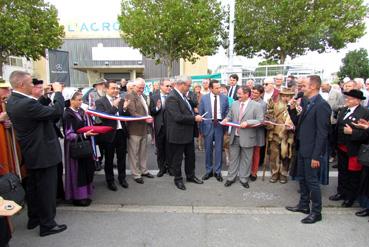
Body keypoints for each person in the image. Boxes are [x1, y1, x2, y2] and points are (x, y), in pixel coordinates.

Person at [6, 71, 67, 236]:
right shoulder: (26, 104)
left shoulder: (13, 100)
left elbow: (37, 109)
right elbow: (56, 112)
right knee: (46, 190)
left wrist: (46, 95)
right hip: (43, 153)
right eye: (30, 83)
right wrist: (59, 93)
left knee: (33, 188)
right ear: (20, 85)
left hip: (32, 152)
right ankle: (47, 225)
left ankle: (34, 218)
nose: (33, 86)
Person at [286, 75, 331, 224]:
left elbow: (322, 133)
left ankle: (316, 212)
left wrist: (316, 156)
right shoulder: (308, 103)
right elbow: (299, 123)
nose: (301, 88)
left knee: (312, 182)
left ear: (312, 87)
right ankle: (304, 205)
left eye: (303, 86)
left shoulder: (322, 105)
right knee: (303, 180)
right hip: (302, 147)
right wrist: (291, 110)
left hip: (312, 151)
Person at [329, 89, 369, 207]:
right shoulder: (344, 110)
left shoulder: (364, 112)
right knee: (342, 172)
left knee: (353, 174)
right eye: (347, 98)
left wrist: (352, 132)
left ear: (357, 101)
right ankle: (341, 192)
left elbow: (366, 134)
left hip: (354, 149)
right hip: (341, 147)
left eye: (349, 98)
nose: (347, 100)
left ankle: (351, 197)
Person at [165, 76, 204, 190]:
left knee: (190, 157)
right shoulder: (172, 97)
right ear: (181, 84)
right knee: (177, 159)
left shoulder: (183, 96)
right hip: (178, 134)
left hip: (188, 133)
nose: (189, 87)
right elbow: (177, 117)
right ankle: (178, 179)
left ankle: (190, 176)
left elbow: (189, 109)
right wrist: (194, 118)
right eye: (188, 85)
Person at [221, 86, 264, 189]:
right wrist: (226, 119)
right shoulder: (235, 104)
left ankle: (244, 179)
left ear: (246, 94)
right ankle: (231, 178)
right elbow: (230, 115)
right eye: (238, 93)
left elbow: (260, 120)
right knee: (233, 159)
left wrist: (248, 123)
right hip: (234, 136)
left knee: (246, 159)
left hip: (248, 137)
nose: (237, 95)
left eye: (240, 94)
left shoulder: (256, 105)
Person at [63, 91, 97, 206]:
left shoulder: (81, 111)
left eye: (81, 99)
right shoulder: (67, 114)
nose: (81, 102)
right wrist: (84, 135)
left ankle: (85, 194)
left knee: (86, 169)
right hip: (75, 147)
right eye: (78, 100)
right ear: (71, 100)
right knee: (77, 172)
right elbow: (68, 135)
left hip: (84, 144)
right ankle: (78, 197)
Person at [95, 81, 130, 191]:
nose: (116, 90)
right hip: (109, 134)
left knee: (122, 158)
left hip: (121, 132)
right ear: (106, 89)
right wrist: (114, 106)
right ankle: (110, 181)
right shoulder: (100, 102)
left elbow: (125, 116)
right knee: (109, 159)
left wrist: (124, 109)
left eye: (117, 88)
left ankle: (122, 178)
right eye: (113, 88)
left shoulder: (121, 100)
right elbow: (104, 117)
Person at [199, 80, 229, 182]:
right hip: (208, 124)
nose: (219, 89)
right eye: (216, 88)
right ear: (211, 88)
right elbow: (200, 113)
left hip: (220, 125)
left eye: (219, 87)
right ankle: (208, 171)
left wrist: (225, 127)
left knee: (219, 149)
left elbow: (226, 112)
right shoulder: (204, 98)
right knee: (208, 149)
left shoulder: (224, 98)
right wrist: (201, 130)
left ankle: (217, 171)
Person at [125, 78, 154, 184]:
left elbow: (147, 110)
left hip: (144, 129)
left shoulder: (143, 96)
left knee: (143, 152)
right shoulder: (129, 96)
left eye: (142, 87)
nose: (141, 89)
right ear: (134, 86)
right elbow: (132, 113)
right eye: (139, 87)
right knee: (134, 153)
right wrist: (145, 118)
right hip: (134, 129)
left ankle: (144, 170)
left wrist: (148, 116)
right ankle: (136, 174)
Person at [265, 88, 295, 184]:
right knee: (274, 155)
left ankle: (283, 173)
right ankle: (274, 172)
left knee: (285, 155)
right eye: (284, 95)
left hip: (287, 135)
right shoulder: (274, 103)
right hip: (275, 133)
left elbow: (298, 118)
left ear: (291, 96)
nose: (285, 97)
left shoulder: (295, 105)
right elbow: (269, 114)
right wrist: (269, 122)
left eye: (288, 96)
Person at [150, 79, 172, 177]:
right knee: (160, 149)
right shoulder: (154, 97)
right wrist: (158, 108)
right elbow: (152, 112)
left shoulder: (172, 97)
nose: (169, 88)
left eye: (170, 86)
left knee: (170, 149)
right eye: (167, 86)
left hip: (171, 128)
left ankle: (170, 168)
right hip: (160, 127)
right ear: (161, 86)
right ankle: (161, 169)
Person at [250, 85, 267, 181]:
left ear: (261, 94)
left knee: (256, 153)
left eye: (256, 93)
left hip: (257, 131)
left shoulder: (263, 104)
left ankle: (254, 172)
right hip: (248, 131)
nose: (254, 94)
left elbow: (261, 119)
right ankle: (247, 170)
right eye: (252, 92)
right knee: (247, 153)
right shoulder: (248, 101)